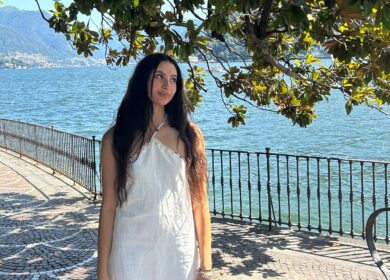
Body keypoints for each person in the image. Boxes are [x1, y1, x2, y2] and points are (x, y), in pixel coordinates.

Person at [97, 53, 212, 280]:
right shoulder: (116, 139)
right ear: (142, 80)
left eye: (173, 79)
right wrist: (102, 270)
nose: (167, 85)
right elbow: (109, 207)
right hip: (129, 254)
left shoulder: (190, 136)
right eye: (159, 76)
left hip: (178, 253)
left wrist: (206, 265)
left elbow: (200, 203)